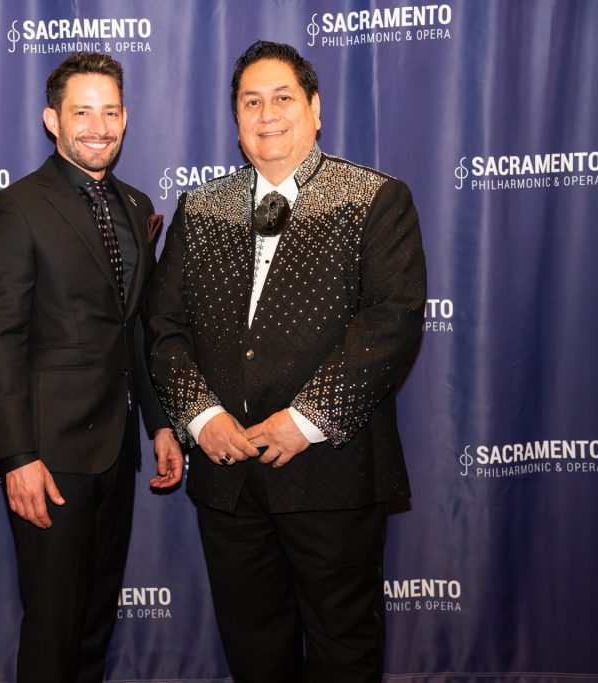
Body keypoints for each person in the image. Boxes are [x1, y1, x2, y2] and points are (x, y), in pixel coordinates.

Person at [144, 40, 426, 682]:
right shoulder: (200, 207)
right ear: (236, 119)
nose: (267, 115)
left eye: (282, 98)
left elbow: (391, 321)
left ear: (315, 108)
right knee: (254, 655)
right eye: (251, 102)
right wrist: (202, 418)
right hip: (228, 478)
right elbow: (163, 327)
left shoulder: (376, 198)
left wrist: (303, 422)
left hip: (332, 473)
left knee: (343, 653)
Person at [0, 52, 183, 683]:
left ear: (126, 118)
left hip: (117, 450)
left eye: (111, 112)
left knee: (95, 624)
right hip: (50, 455)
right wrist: (16, 456)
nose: (99, 127)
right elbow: (0, 339)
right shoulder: (16, 208)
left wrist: (160, 424)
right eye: (83, 112)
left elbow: (136, 326)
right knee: (53, 628)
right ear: (52, 120)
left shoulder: (135, 203)